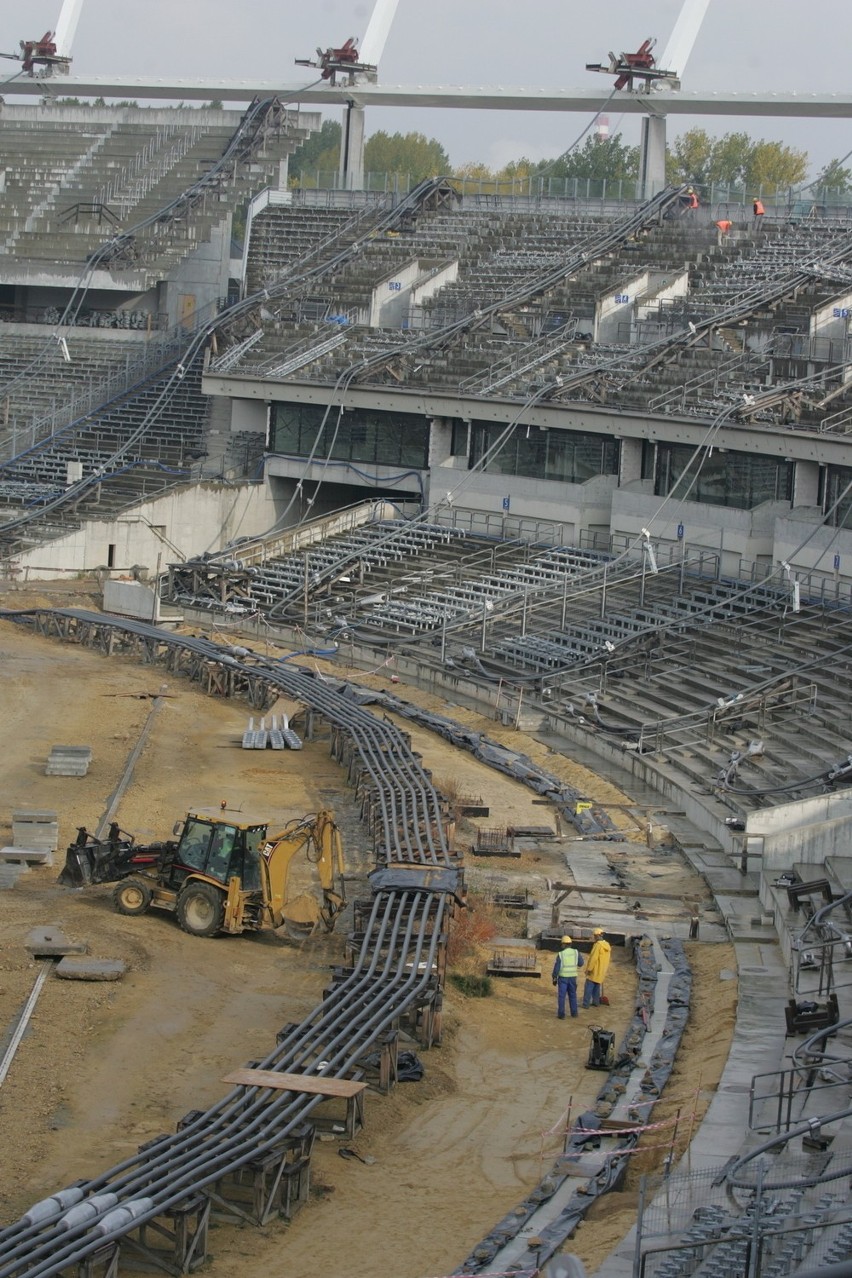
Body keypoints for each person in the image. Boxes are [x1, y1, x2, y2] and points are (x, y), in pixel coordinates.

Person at [551, 935, 584, 1019]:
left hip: (563, 978)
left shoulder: (561, 954)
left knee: (562, 996)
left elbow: (557, 967)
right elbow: (581, 963)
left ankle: (561, 1015)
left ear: (564, 944)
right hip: (573, 977)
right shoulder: (576, 952)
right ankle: (574, 1013)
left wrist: (554, 977)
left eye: (562, 944)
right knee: (573, 995)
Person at [583, 928, 612, 1008]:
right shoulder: (607, 946)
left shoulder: (597, 946)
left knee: (588, 987)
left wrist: (589, 969)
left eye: (594, 936)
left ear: (597, 936)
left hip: (594, 970)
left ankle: (586, 1004)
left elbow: (593, 958)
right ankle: (596, 1002)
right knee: (597, 987)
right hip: (602, 971)